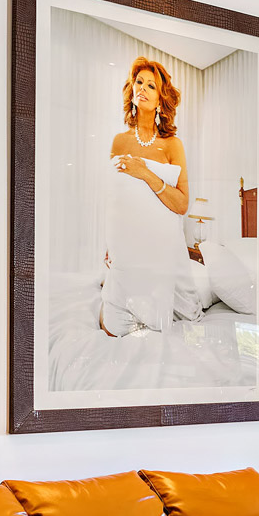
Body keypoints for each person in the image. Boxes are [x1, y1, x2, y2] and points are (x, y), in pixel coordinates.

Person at [100, 57, 190, 337]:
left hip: (159, 250)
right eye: (139, 82)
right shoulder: (119, 141)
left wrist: (145, 173)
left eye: (151, 85)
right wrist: (109, 245)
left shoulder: (172, 145)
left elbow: (182, 204)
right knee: (112, 328)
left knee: (158, 323)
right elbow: (114, 199)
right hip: (126, 247)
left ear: (161, 99)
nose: (143, 88)